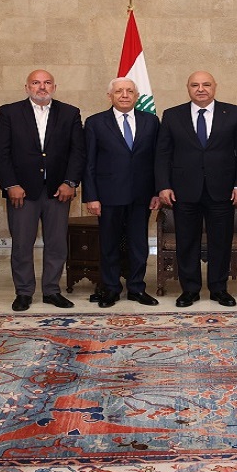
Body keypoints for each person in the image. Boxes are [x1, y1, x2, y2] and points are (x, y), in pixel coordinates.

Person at [156, 71, 237, 308]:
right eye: (195, 85)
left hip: (223, 190)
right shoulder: (172, 115)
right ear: (188, 88)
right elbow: (163, 154)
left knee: (221, 241)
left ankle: (219, 289)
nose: (201, 89)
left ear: (214, 87)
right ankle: (189, 290)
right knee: (186, 241)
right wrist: (164, 185)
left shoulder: (234, 113)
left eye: (206, 84)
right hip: (183, 191)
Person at [0, 69, 86, 311]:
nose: (41, 87)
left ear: (54, 87)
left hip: (58, 191)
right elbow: (0, 153)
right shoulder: (9, 112)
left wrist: (70, 182)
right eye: (35, 83)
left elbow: (78, 152)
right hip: (21, 192)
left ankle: (52, 290)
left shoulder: (70, 113)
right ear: (27, 87)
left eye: (47, 83)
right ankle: (24, 292)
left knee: (57, 244)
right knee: (22, 244)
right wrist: (11, 184)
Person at [82, 78, 160, 308]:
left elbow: (158, 159)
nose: (124, 95)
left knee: (139, 245)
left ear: (137, 96)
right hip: (108, 196)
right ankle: (110, 288)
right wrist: (91, 196)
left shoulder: (151, 121)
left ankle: (136, 288)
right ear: (110, 96)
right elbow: (89, 163)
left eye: (129, 91)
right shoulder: (95, 123)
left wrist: (157, 191)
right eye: (119, 91)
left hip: (141, 195)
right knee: (109, 245)